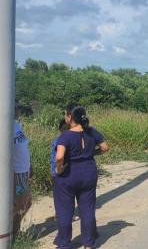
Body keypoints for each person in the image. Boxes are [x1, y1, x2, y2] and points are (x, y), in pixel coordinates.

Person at [53, 104, 109, 249]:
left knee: (65, 210)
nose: (64, 117)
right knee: (87, 209)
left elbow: (59, 157)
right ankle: (88, 243)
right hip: (89, 172)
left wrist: (59, 170)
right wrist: (90, 153)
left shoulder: (65, 136)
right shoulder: (91, 131)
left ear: (70, 117)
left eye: (65, 114)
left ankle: (64, 243)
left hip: (69, 174)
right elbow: (104, 148)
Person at [12, 103, 32, 237]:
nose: (19, 110)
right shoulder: (4, 127)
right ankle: (14, 233)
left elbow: (23, 148)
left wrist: (30, 167)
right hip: (16, 173)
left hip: (24, 171)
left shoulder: (16, 125)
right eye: (17, 108)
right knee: (23, 203)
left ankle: (14, 231)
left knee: (24, 202)